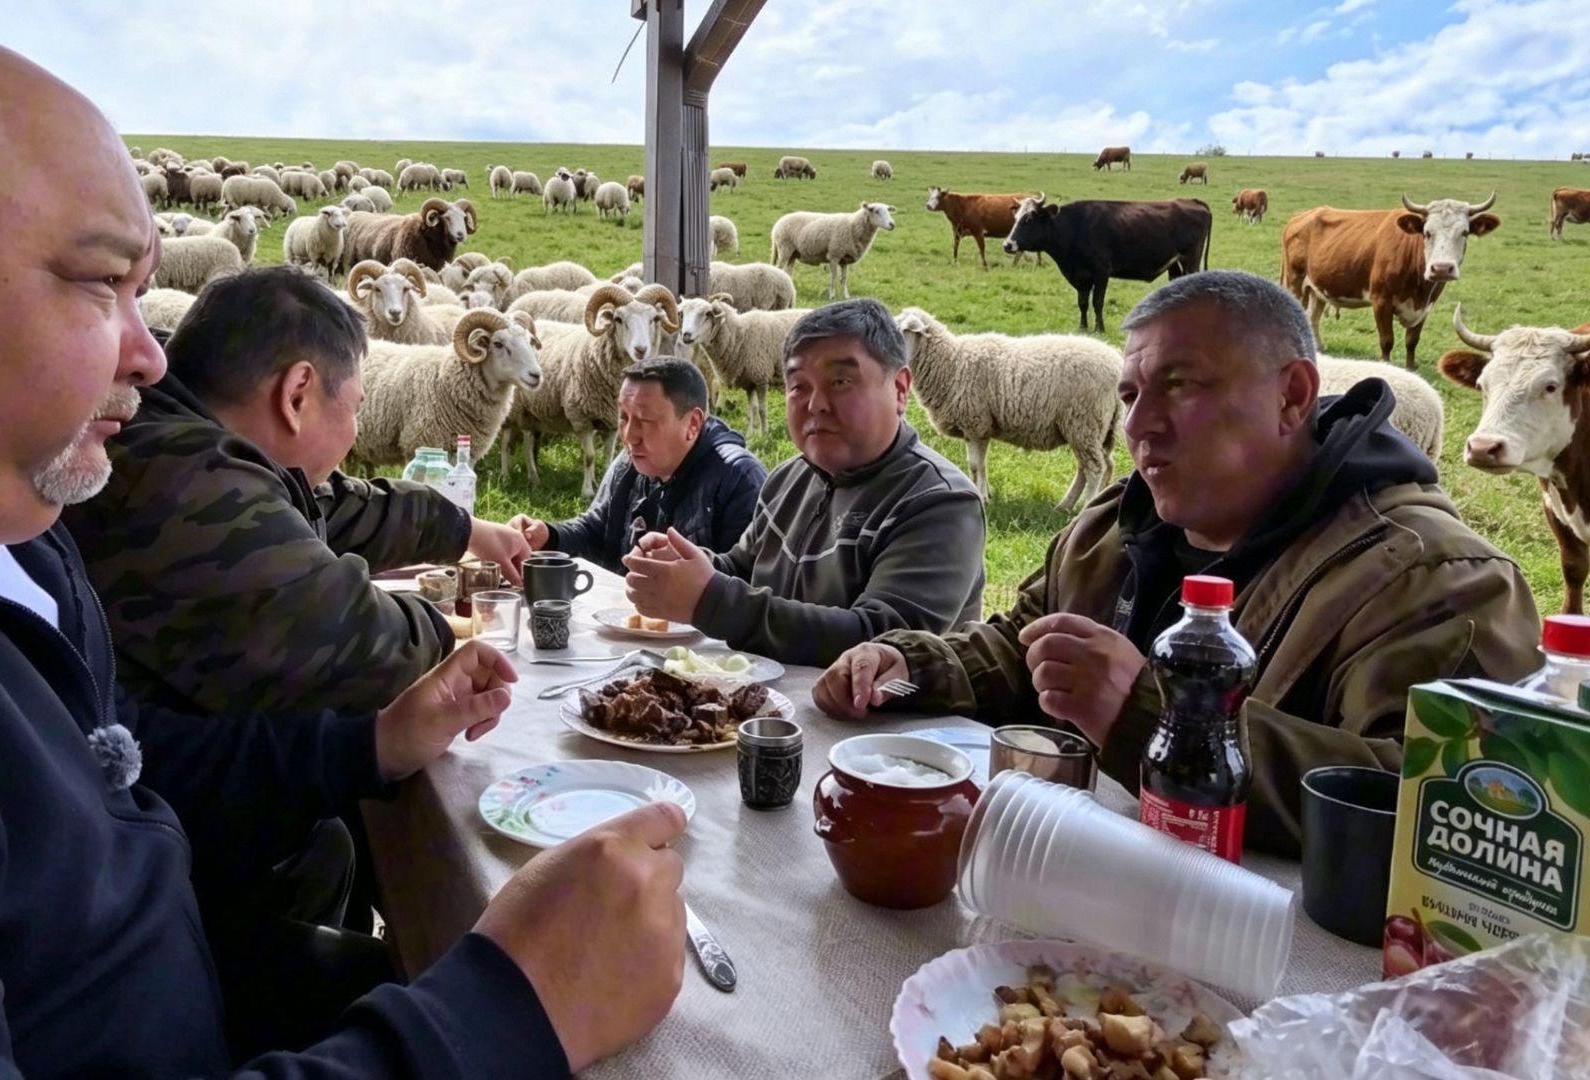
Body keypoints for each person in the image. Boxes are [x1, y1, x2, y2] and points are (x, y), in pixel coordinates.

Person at [0, 14, 683, 1077]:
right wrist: (502, 1018)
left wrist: (363, 747)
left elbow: (114, 757)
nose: (152, 355)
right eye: (98, 281)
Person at [814, 270, 1541, 857]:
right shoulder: (1115, 523)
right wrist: (908, 663)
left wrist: (1148, 717)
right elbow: (1025, 650)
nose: (1137, 426)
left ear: (1292, 396)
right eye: (1130, 394)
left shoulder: (1434, 581)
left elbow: (1433, 813)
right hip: (1083, 897)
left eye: (1180, 386)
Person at [64, 270, 531, 714]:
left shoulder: (177, 429)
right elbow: (368, 653)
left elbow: (319, 505)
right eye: (355, 409)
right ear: (296, 395)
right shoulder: (186, 483)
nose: (356, 431)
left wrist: (464, 528)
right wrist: (460, 629)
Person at [623, 299, 986, 667]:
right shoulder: (788, 479)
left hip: (882, 724)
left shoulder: (940, 502)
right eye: (798, 386)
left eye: (841, 382)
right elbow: (743, 569)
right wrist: (684, 564)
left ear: (901, 389)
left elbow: (881, 640)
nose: (816, 404)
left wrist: (712, 599)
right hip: (767, 712)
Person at [508, 355, 765, 569]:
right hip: (625, 618)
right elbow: (597, 530)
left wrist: (692, 573)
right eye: (623, 417)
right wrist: (549, 536)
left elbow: (745, 584)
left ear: (693, 424)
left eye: (645, 420)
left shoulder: (738, 479)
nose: (629, 436)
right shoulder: (630, 462)